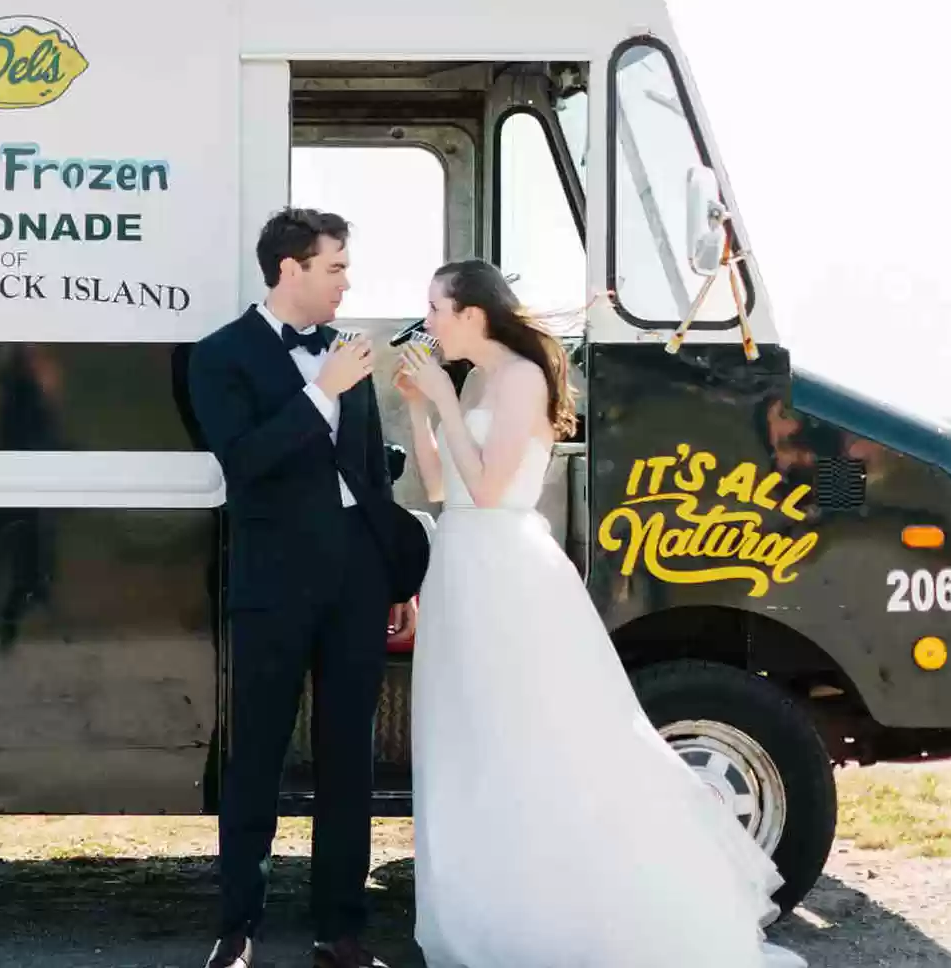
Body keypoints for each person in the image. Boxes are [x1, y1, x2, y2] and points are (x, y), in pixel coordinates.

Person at [393, 258, 808, 968]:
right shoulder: (477, 380)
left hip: (503, 569)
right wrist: (420, 407)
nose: (427, 323)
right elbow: (440, 487)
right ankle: (494, 901)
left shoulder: (521, 378)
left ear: (471, 313)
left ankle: (574, 907)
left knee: (536, 735)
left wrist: (446, 402)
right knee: (475, 738)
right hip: (463, 565)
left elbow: (492, 492)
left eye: (435, 308)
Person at [189, 207, 415, 968]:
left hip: (356, 578)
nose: (347, 283)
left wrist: (395, 576)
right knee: (256, 756)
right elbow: (243, 462)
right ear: (290, 269)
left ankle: (339, 932)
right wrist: (320, 393)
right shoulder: (219, 356)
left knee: (348, 760)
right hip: (273, 582)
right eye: (335, 268)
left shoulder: (346, 353)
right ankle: (238, 930)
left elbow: (368, 479)